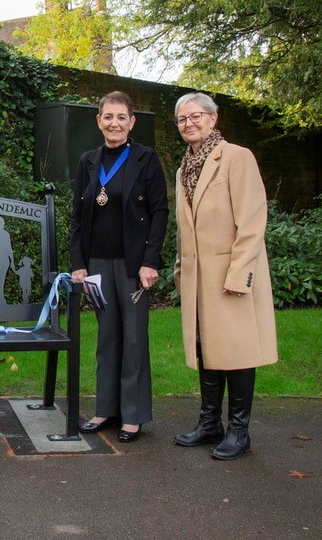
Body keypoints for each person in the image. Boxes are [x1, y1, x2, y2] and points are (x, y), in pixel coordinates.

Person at [172, 92, 278, 460]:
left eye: (196, 116)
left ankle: (239, 430)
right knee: (206, 348)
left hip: (230, 275)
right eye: (183, 119)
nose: (190, 123)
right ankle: (209, 423)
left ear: (213, 118)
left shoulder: (236, 157)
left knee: (237, 350)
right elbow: (185, 227)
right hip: (199, 277)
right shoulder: (183, 168)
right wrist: (180, 267)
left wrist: (239, 274)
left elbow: (252, 219)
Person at [71, 91, 168, 443]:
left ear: (132, 122)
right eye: (107, 117)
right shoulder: (88, 161)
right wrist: (78, 264)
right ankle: (105, 409)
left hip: (132, 266)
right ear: (98, 121)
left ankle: (133, 414)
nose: (114, 123)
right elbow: (78, 217)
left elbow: (159, 213)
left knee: (133, 339)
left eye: (121, 117)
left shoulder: (146, 159)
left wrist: (150, 261)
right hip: (97, 264)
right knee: (106, 338)